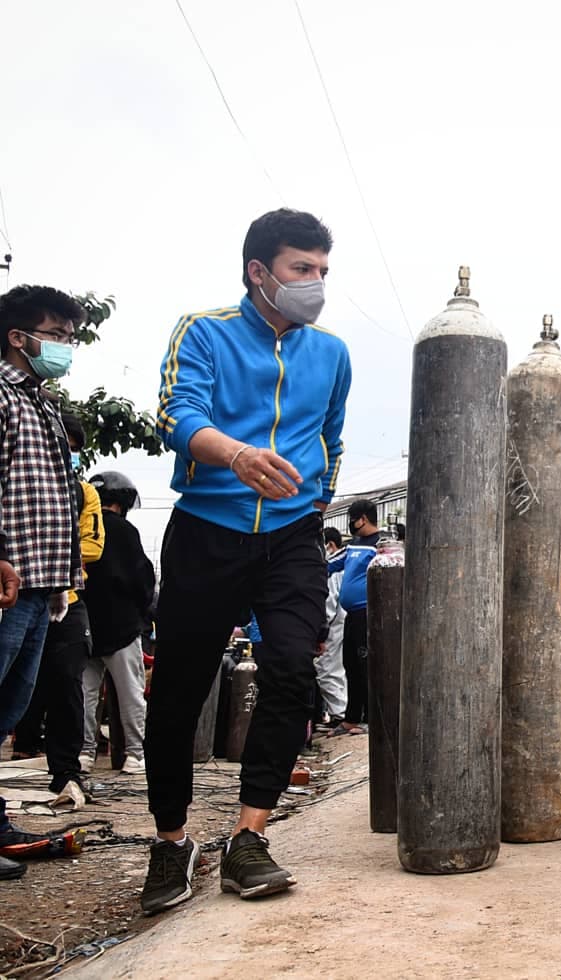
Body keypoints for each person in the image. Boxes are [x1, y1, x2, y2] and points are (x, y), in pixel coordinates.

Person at [142, 208, 350, 913]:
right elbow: (175, 414)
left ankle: (249, 837)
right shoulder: (204, 332)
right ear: (260, 272)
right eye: (302, 269)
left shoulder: (333, 354)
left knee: (293, 671)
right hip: (207, 527)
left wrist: (314, 504)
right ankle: (172, 842)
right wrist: (234, 454)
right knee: (176, 692)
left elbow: (331, 437)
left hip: (291, 535)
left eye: (323, 270)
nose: (315, 283)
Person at [0, 285, 86, 882]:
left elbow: (54, 493)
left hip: (40, 580)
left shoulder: (43, 403)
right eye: (56, 335)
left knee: (7, 710)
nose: (65, 347)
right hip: (7, 577)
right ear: (18, 337)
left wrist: (62, 580)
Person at [12, 413, 103, 799]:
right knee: (17, 685)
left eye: (74, 453)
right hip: (18, 597)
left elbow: (93, 547)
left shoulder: (83, 493)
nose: (68, 458)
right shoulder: (19, 483)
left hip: (66, 600)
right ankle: (23, 743)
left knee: (68, 681)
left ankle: (66, 770)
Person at [78, 471, 154, 775]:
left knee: (85, 695)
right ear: (123, 501)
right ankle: (135, 755)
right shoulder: (125, 531)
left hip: (85, 624)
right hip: (121, 626)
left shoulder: (81, 530)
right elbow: (142, 580)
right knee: (131, 693)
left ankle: (83, 754)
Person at [329, 499, 384, 735]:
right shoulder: (353, 545)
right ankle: (351, 718)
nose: (351, 523)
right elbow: (330, 564)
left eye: (353, 518)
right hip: (351, 615)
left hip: (369, 613)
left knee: (366, 665)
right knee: (349, 663)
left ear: (362, 518)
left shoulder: (380, 544)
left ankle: (370, 720)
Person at [314, 527, 348, 728]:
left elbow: (328, 602)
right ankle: (341, 710)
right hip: (342, 622)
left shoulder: (333, 568)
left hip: (333, 625)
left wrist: (320, 627)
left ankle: (338, 713)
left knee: (326, 668)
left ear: (330, 545)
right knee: (338, 669)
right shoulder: (345, 565)